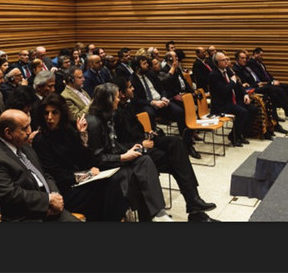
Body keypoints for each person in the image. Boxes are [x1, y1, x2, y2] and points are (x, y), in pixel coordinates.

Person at [112, 76, 218, 221]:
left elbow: (137, 128)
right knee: (177, 162)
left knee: (176, 143)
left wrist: (148, 133)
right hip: (136, 150)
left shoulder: (128, 105)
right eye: (130, 87)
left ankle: (194, 201)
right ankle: (193, 205)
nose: (133, 88)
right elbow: (117, 144)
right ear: (122, 93)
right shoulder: (114, 113)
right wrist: (142, 143)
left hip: (145, 141)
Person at [32, 93, 128, 221]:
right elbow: (56, 175)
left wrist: (82, 136)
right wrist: (88, 174)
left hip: (79, 182)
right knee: (105, 189)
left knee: (113, 180)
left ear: (61, 114)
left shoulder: (68, 131)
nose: (49, 117)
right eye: (46, 113)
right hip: (63, 190)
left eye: (54, 113)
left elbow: (86, 158)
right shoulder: (40, 140)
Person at [85, 82, 174, 222]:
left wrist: (129, 150)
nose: (118, 99)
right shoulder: (94, 123)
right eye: (116, 97)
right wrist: (123, 157)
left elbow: (114, 144)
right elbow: (98, 158)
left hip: (114, 158)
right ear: (108, 100)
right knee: (137, 177)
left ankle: (157, 212)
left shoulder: (108, 116)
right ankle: (154, 214)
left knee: (144, 159)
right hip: (103, 168)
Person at [0, 109, 81, 222]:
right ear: (8, 133)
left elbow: (44, 174)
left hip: (48, 207)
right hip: (25, 216)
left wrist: (55, 196)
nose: (29, 132)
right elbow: (10, 195)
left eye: (29, 126)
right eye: (24, 128)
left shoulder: (23, 145)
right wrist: (47, 200)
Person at [131, 54, 200, 158]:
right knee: (149, 113)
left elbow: (162, 88)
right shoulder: (132, 80)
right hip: (148, 104)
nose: (147, 65)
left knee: (180, 112)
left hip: (161, 101)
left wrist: (163, 97)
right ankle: (156, 147)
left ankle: (187, 145)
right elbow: (136, 100)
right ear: (137, 67)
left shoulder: (150, 74)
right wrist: (153, 102)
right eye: (144, 64)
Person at [233, 50, 288, 135]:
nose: (245, 60)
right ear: (237, 59)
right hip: (250, 90)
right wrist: (257, 84)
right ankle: (277, 120)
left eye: (245, 58)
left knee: (272, 95)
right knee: (272, 90)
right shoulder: (236, 69)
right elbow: (245, 84)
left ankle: (274, 123)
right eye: (242, 58)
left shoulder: (247, 67)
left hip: (257, 85)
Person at [209, 51, 259, 146]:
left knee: (253, 109)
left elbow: (239, 84)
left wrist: (245, 94)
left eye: (226, 59)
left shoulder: (227, 70)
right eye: (223, 60)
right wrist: (232, 82)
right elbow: (225, 90)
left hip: (232, 101)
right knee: (243, 112)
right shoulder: (213, 75)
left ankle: (242, 133)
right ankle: (233, 136)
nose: (226, 61)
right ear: (216, 63)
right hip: (222, 104)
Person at [248, 47, 288, 122]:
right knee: (280, 90)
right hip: (263, 84)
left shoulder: (259, 63)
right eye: (261, 55)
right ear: (255, 54)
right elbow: (260, 76)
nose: (262, 57)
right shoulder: (252, 63)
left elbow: (267, 74)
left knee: (286, 87)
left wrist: (273, 80)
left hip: (268, 82)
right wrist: (271, 82)